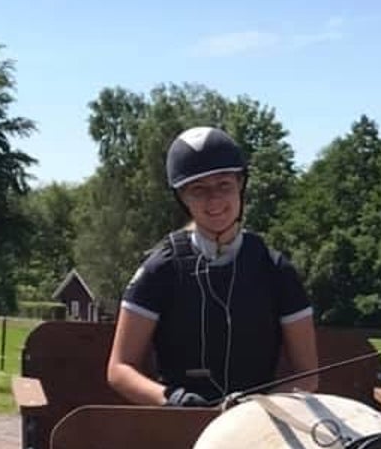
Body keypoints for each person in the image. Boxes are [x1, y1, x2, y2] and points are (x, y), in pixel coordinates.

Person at [107, 126, 319, 407]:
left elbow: (308, 375)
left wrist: (262, 407)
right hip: (179, 419)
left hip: (262, 423)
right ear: (182, 198)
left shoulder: (276, 270)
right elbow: (120, 368)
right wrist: (173, 399)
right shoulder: (160, 270)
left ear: (240, 185)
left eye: (224, 185)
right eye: (199, 190)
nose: (215, 200)